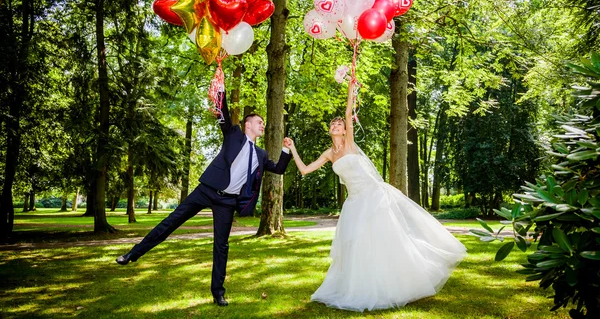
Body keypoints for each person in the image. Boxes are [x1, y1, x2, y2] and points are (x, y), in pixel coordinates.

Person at [286, 80, 467, 312]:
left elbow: (349, 112)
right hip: (353, 203)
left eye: (339, 123)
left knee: (382, 240)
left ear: (344, 130)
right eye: (333, 124)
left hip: (372, 197)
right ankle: (358, 285)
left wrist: (351, 88)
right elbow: (304, 169)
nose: (336, 125)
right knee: (356, 246)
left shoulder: (350, 143)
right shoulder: (329, 153)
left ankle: (396, 282)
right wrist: (292, 148)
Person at [115, 90, 292, 307]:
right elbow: (223, 113)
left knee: (221, 246)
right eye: (259, 121)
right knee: (171, 221)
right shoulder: (234, 134)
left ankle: (218, 293)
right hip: (207, 189)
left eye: (263, 122)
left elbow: (279, 169)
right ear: (248, 125)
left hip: (227, 201)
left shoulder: (261, 155)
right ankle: (132, 254)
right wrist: (221, 89)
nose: (262, 125)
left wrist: (286, 149)